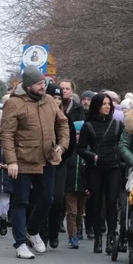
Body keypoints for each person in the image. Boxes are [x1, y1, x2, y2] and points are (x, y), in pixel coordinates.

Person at [1, 68, 70, 259]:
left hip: (47, 158)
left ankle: (32, 230)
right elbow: (6, 134)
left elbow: (63, 123)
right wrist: (11, 161)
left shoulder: (48, 101)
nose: (43, 86)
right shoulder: (14, 103)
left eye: (44, 83)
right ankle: (21, 243)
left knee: (49, 198)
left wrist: (62, 145)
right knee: (21, 201)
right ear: (29, 85)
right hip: (22, 160)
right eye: (40, 84)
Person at [79, 93, 124, 253]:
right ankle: (98, 237)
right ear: (97, 106)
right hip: (96, 168)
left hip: (114, 167)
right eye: (104, 104)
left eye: (109, 104)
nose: (107, 106)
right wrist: (93, 157)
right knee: (97, 202)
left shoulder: (118, 124)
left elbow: (123, 145)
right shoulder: (88, 125)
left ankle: (111, 237)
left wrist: (120, 159)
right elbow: (81, 149)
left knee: (112, 202)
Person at [43, 82, 77, 249]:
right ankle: (41, 231)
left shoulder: (66, 119)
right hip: (42, 163)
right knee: (43, 198)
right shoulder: (41, 116)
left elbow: (70, 143)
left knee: (57, 199)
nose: (56, 101)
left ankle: (54, 230)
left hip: (60, 164)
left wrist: (61, 152)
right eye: (53, 97)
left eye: (58, 98)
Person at [64, 120, 88, 249]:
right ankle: (72, 236)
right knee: (71, 212)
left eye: (80, 134)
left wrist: (89, 186)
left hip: (83, 187)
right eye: (76, 133)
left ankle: (77, 231)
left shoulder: (86, 151)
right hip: (69, 186)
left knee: (80, 213)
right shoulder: (68, 150)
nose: (78, 136)